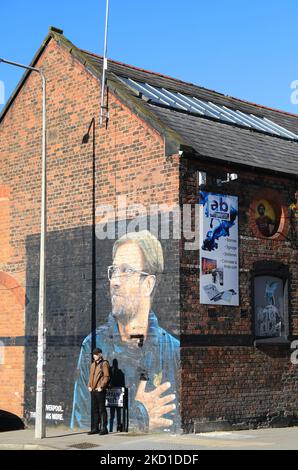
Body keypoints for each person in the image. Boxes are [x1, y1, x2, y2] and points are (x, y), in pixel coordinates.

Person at [71, 230, 180, 432]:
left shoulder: (173, 351)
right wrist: (140, 417)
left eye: (127, 271)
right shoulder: (94, 346)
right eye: (113, 270)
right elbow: (83, 425)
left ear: (148, 284)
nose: (114, 281)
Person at [87, 348, 110, 435]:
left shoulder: (104, 364)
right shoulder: (92, 365)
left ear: (100, 354)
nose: (94, 355)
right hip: (93, 390)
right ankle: (95, 428)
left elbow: (106, 376)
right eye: (93, 354)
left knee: (102, 410)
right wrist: (89, 385)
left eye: (96, 354)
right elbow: (90, 377)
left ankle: (104, 428)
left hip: (100, 390)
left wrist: (101, 387)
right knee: (95, 410)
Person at [109, 359, 125, 432]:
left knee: (112, 414)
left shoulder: (111, 372)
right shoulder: (120, 372)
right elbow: (123, 384)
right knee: (118, 413)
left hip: (113, 394)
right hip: (118, 394)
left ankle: (111, 429)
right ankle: (118, 428)